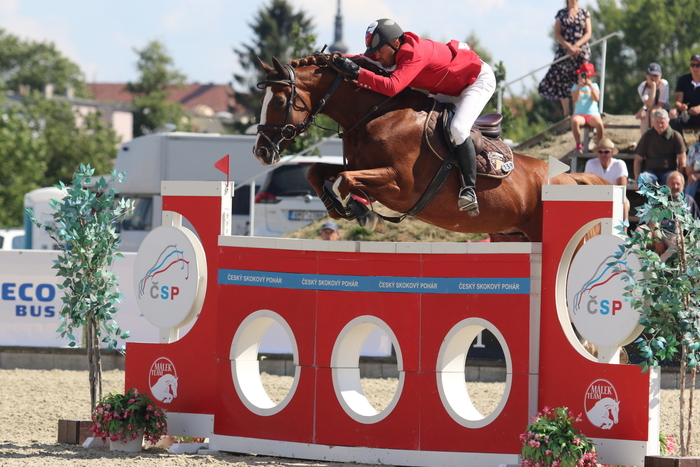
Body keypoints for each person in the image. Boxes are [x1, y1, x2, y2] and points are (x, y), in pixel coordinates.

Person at [332, 18, 496, 216]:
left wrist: (358, 74)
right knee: (420, 128)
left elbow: (392, 86)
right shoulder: (390, 50)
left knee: (458, 129)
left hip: (475, 82)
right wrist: (332, 59)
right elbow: (362, 58)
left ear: (395, 42)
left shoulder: (414, 53)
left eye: (380, 50)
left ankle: (469, 190)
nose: (377, 56)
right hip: (446, 89)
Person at [538, 0, 592, 118]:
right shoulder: (561, 13)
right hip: (564, 51)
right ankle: (566, 113)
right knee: (563, 80)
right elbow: (557, 34)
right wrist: (569, 47)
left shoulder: (584, 13)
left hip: (581, 51)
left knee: (580, 79)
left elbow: (588, 33)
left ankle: (578, 111)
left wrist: (576, 46)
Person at [651, 171, 700, 262]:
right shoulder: (660, 200)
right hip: (659, 233)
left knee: (679, 242)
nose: (675, 187)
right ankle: (635, 265)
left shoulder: (689, 201)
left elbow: (697, 223)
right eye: (672, 184)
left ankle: (656, 266)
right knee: (639, 232)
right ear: (667, 185)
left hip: (675, 235)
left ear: (683, 186)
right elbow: (652, 220)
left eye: (678, 184)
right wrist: (658, 239)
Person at [634, 108, 686, 187]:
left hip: (669, 172)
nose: (659, 125)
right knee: (643, 180)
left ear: (668, 122)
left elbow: (682, 161)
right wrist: (636, 179)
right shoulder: (647, 136)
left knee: (672, 181)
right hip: (650, 172)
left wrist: (681, 179)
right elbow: (638, 159)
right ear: (653, 122)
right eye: (657, 122)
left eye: (662, 122)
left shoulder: (675, 136)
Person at [584, 138, 629, 218]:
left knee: (623, 200)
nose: (603, 154)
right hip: (596, 199)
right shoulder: (590, 163)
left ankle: (624, 226)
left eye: (606, 152)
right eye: (600, 151)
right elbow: (588, 187)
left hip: (615, 198)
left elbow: (621, 189)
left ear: (612, 153)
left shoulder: (620, 164)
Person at [571, 63, 604, 153]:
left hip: (592, 114)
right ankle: (578, 145)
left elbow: (596, 98)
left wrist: (590, 86)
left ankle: (599, 145)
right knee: (575, 121)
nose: (586, 78)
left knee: (599, 124)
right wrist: (579, 86)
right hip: (579, 114)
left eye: (588, 76)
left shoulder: (595, 86)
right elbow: (575, 99)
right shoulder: (575, 87)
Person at [635, 63, 676, 135]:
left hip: (664, 109)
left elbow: (660, 105)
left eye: (656, 76)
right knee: (645, 115)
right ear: (647, 75)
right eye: (651, 75)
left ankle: (656, 137)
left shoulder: (663, 84)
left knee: (654, 113)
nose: (653, 78)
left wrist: (644, 109)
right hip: (650, 110)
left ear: (660, 76)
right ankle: (645, 139)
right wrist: (653, 86)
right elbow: (650, 103)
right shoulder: (642, 87)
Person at [671, 54, 700, 132]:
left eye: (698, 65)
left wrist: (699, 108)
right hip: (687, 114)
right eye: (692, 65)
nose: (695, 68)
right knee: (673, 113)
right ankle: (678, 139)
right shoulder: (683, 80)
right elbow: (677, 102)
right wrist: (681, 106)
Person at [684, 131, 700, 200]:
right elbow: (688, 171)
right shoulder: (695, 147)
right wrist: (696, 176)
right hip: (695, 178)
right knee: (691, 182)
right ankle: (686, 205)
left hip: (697, 175)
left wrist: (698, 175)